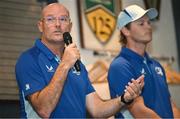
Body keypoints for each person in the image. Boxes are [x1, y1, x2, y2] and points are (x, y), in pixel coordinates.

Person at [15, 3, 144, 118]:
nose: (58, 24)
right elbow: (44, 110)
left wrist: (123, 99)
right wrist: (65, 65)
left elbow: (97, 109)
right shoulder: (28, 59)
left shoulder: (77, 65)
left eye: (63, 19)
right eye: (50, 19)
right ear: (40, 26)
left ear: (70, 26)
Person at [108, 4, 180, 118]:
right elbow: (139, 112)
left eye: (149, 22)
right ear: (125, 30)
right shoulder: (120, 66)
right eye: (141, 23)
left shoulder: (156, 65)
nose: (148, 27)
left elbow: (170, 104)